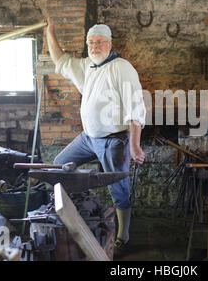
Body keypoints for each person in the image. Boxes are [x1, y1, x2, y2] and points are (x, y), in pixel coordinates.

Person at [45, 18, 146, 257]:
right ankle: (78, 215)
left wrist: (134, 144)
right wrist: (49, 30)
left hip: (114, 139)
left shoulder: (121, 67)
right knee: (60, 165)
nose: (94, 46)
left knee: (118, 189)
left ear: (109, 44)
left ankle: (123, 236)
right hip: (89, 138)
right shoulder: (88, 66)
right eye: (91, 42)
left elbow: (136, 107)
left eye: (99, 42)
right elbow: (60, 61)